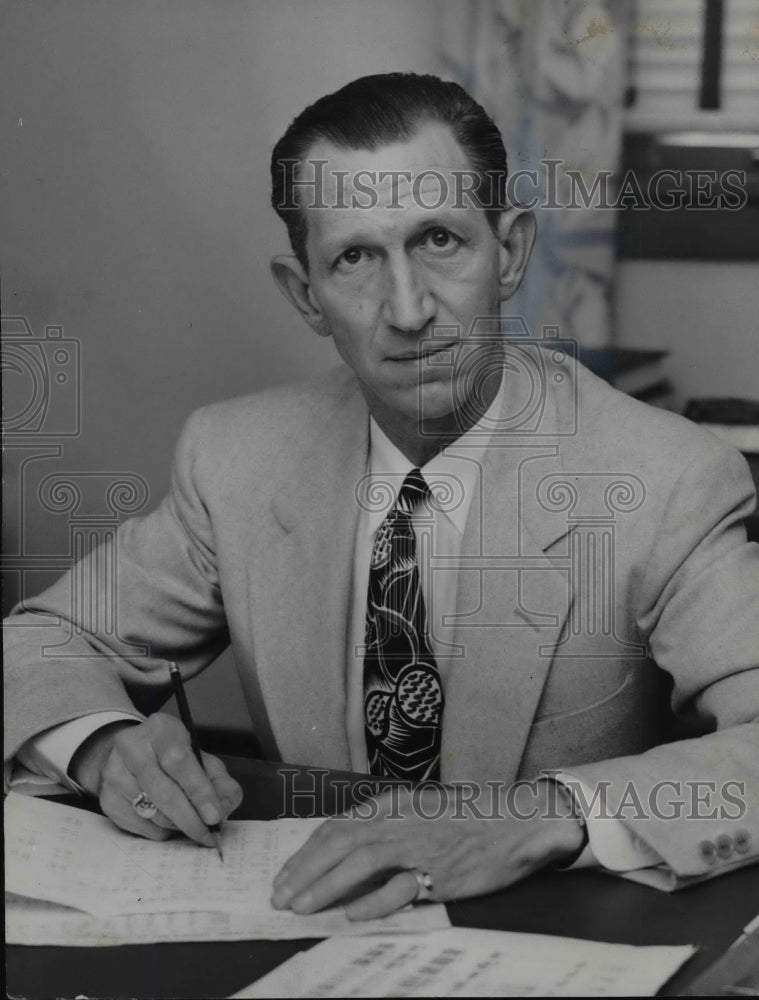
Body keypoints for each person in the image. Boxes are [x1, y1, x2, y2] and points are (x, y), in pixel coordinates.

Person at [4, 73, 759, 920]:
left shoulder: (665, 476)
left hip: (552, 934)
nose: (406, 310)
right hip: (311, 925)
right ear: (306, 296)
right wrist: (103, 747)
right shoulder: (236, 457)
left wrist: (541, 814)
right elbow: (43, 641)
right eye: (355, 258)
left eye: (438, 240)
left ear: (507, 254)